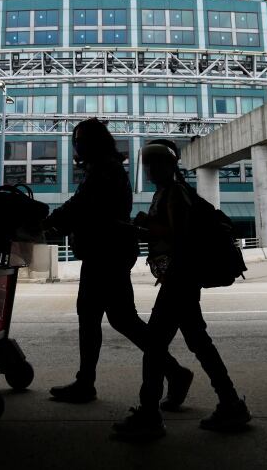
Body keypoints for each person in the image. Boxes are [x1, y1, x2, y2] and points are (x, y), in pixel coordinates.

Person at [43, 119, 193, 406]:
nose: (76, 147)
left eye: (79, 141)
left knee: (110, 318)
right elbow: (83, 208)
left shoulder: (103, 169)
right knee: (106, 318)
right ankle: (90, 381)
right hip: (108, 252)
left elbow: (81, 206)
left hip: (105, 254)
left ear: (89, 144)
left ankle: (171, 373)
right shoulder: (106, 167)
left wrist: (48, 222)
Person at [112, 139, 251, 440]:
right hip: (182, 278)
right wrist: (145, 227)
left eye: (157, 163)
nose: (151, 168)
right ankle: (230, 403)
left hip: (180, 278)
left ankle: (149, 416)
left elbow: (181, 235)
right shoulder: (168, 192)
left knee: (154, 345)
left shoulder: (175, 193)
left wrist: (145, 226)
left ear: (171, 165)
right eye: (148, 163)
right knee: (199, 341)